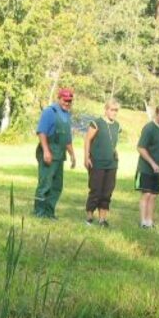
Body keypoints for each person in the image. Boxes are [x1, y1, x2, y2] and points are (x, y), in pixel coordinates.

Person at [32, 87, 76, 219]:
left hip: (59, 155)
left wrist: (72, 155)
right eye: (65, 100)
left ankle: (49, 212)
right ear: (59, 98)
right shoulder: (49, 112)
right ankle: (39, 212)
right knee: (45, 184)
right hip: (49, 153)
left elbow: (67, 139)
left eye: (69, 101)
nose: (67, 103)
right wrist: (46, 151)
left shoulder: (67, 115)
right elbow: (41, 132)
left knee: (57, 185)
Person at [82, 99, 120, 228]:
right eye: (112, 110)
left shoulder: (117, 125)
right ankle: (89, 216)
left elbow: (112, 141)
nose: (114, 112)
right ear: (106, 110)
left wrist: (115, 151)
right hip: (97, 162)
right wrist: (86, 157)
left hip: (111, 164)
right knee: (96, 190)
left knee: (107, 191)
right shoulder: (96, 123)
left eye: (116, 110)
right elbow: (87, 140)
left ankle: (102, 219)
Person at [135, 104, 159, 230]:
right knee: (146, 194)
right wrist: (152, 163)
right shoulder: (149, 128)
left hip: (158, 169)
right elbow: (140, 148)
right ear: (156, 114)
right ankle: (143, 222)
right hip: (145, 168)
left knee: (154, 195)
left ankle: (150, 221)